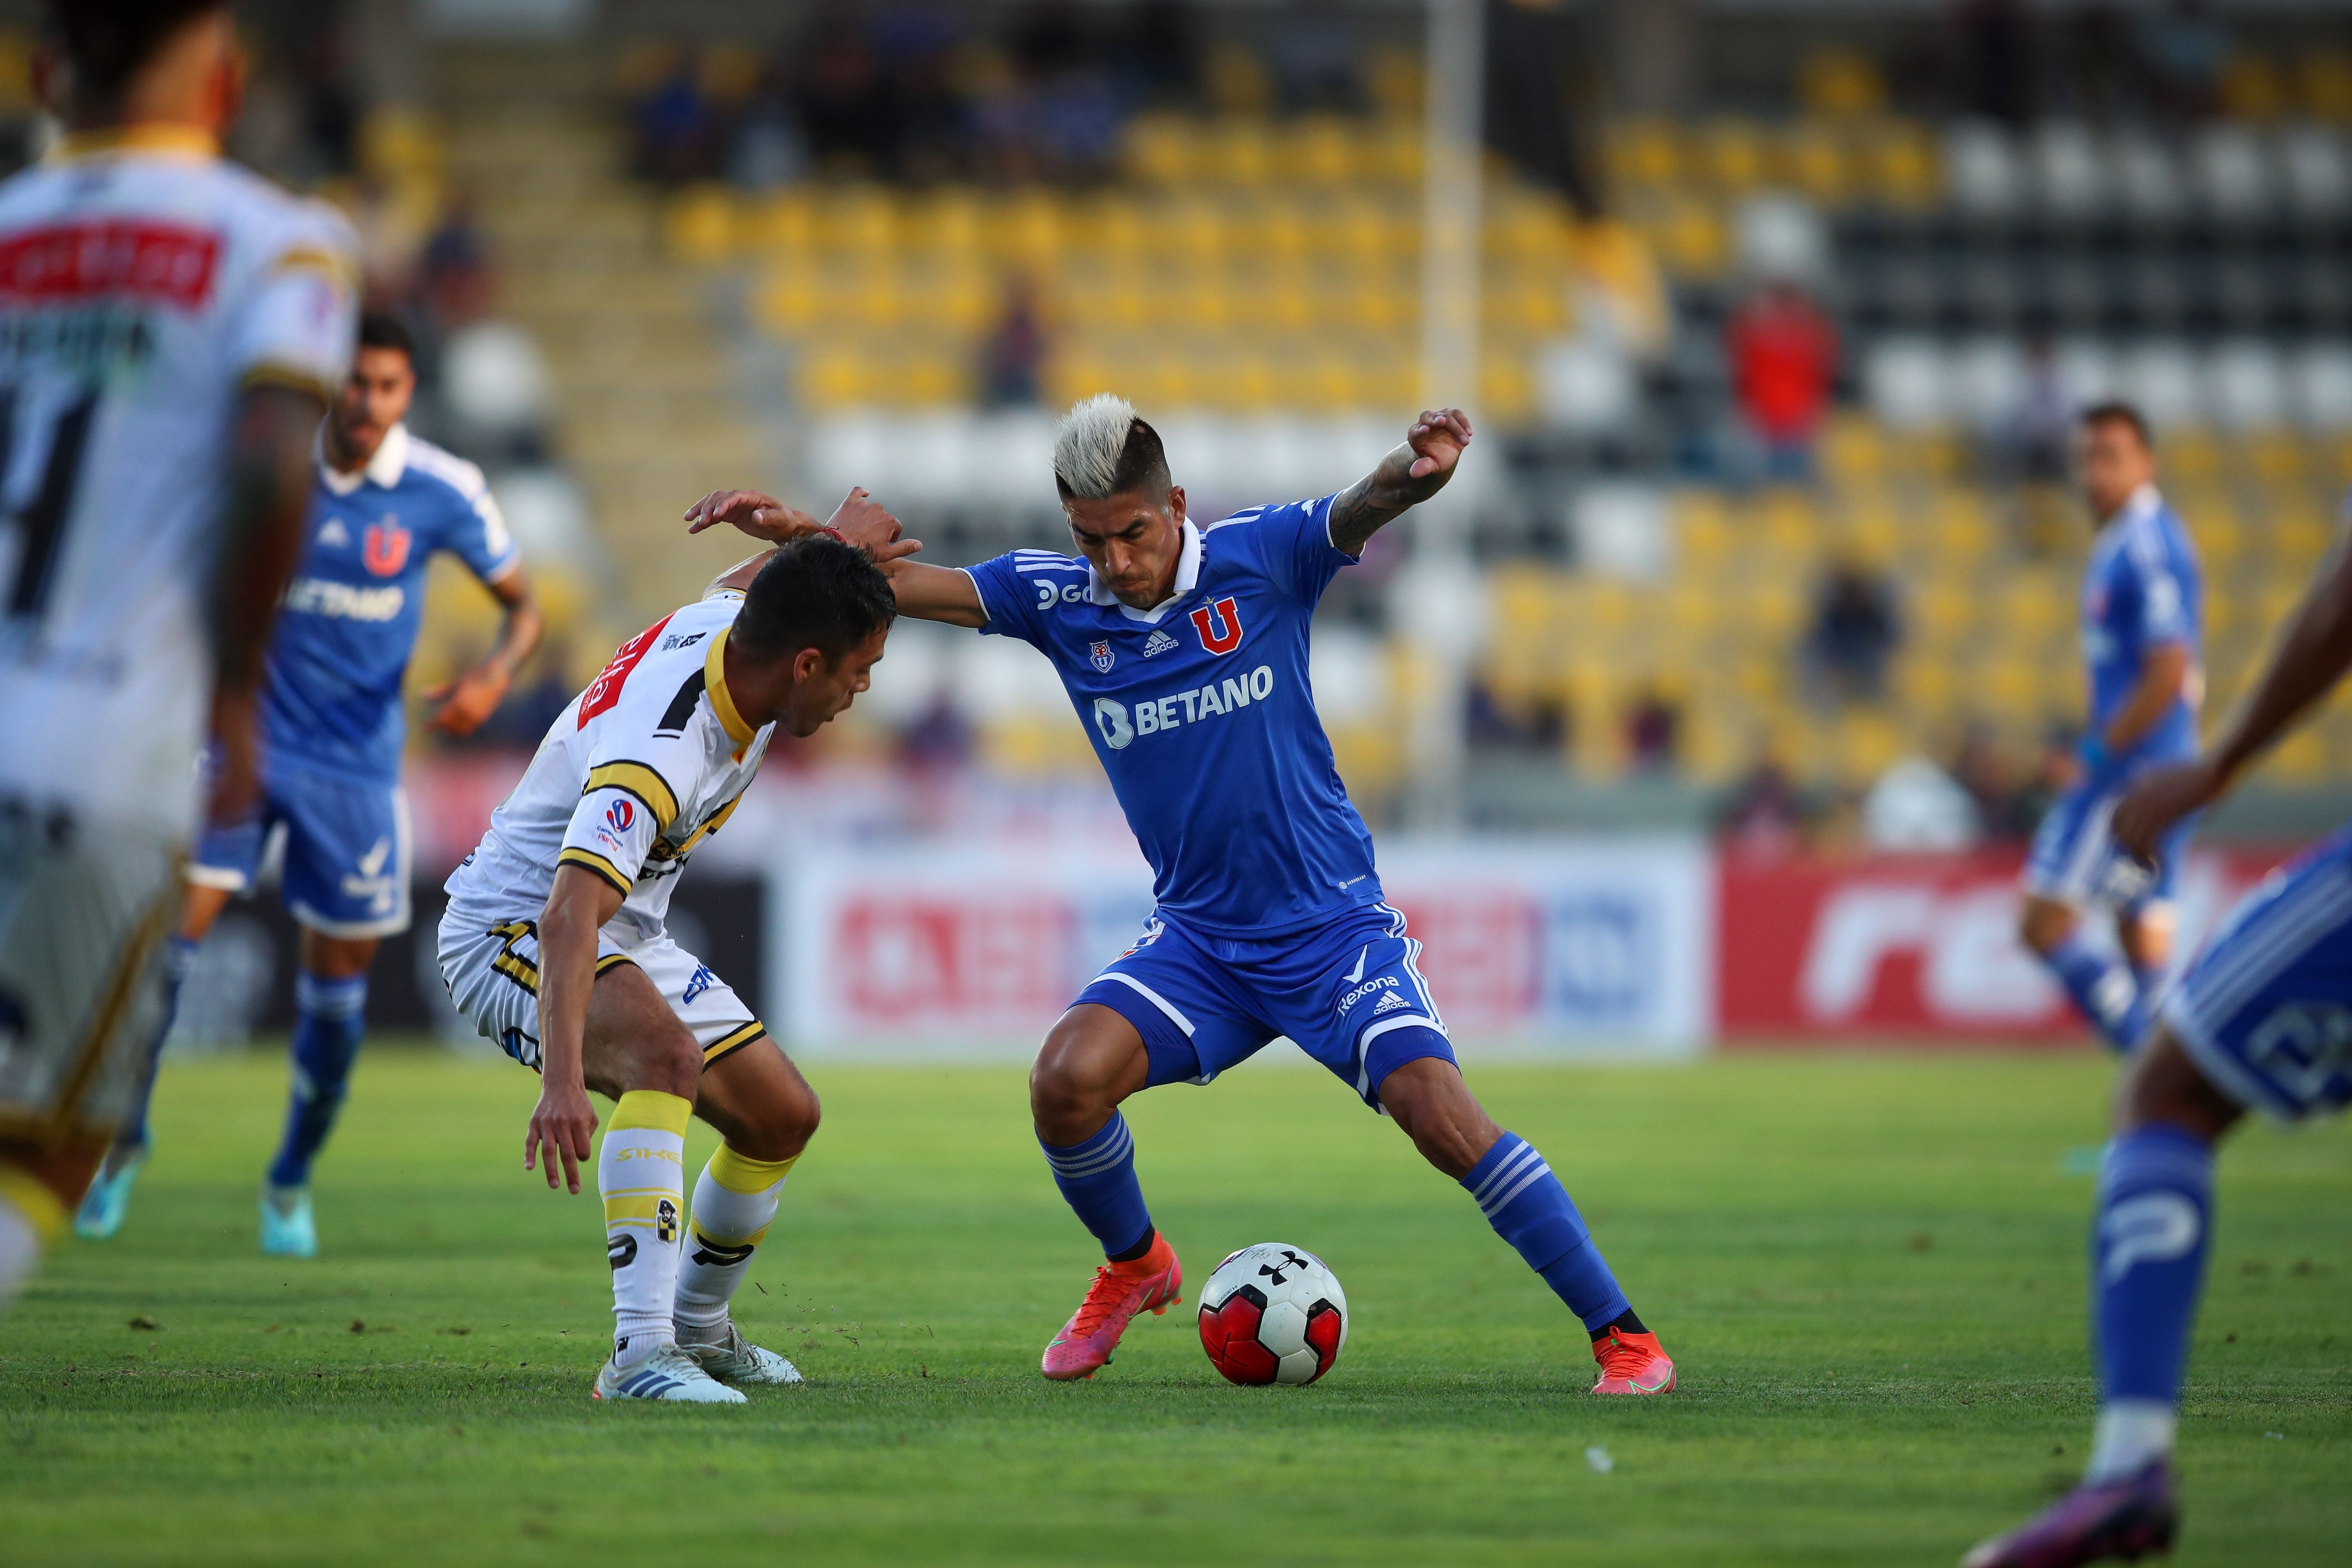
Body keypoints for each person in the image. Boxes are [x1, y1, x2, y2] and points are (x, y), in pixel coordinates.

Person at [683, 397, 1676, 1394]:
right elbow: (881, 587)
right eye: (1090, 537)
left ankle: (1625, 1339)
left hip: (1331, 931)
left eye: (1133, 533)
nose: (1114, 561)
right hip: (1202, 945)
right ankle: (1136, 1263)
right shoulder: (1054, 597)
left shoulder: (1262, 556)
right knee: (1063, 1082)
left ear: (1178, 509)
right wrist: (802, 542)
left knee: (1437, 1111)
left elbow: (1357, 508)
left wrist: (1413, 473)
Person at [0, 0, 358, 1310]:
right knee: (42, 1147)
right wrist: (232, 686)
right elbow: (272, 462)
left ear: (45, 73)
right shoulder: (280, 245)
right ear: (223, 78)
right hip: (100, 742)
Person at [74, 312, 544, 1254]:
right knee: (165, 943)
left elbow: (522, 606)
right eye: (356, 382)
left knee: (337, 1003)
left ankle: (289, 1178)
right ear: (332, 384)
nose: (368, 403)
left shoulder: (441, 489)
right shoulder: (265, 468)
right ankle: (121, 1139)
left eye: (387, 387)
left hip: (356, 771)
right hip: (242, 739)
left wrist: (492, 677)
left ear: (408, 394)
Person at [437, 500, 908, 1404]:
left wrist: (822, 537)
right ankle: (641, 1354)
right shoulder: (663, 751)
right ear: (807, 664)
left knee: (780, 1115)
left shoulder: (749, 634)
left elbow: (761, 587)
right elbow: (570, 915)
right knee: (665, 1058)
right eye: (858, 671)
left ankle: (700, 1329)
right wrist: (562, 1082)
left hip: (622, 929)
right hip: (514, 927)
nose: (863, 689)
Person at [1959, 520, 2352, 1567]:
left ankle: (2130, 1469)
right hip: (2137, 784)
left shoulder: (2146, 552)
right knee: (2129, 957)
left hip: (2138, 776)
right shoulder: (2122, 552)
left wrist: (2213, 762)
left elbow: (2332, 595)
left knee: (2165, 1086)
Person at [2017, 404, 2205, 1052]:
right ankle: (2158, 1076)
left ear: (2146, 463)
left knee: (2043, 922)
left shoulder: (2147, 544)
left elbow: (2169, 669)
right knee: (2138, 924)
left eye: (2110, 457)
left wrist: (2095, 750)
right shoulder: (2122, 539)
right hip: (2163, 774)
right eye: (2085, 458)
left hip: (2130, 780)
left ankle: (2150, 1065)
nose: (2092, 473)